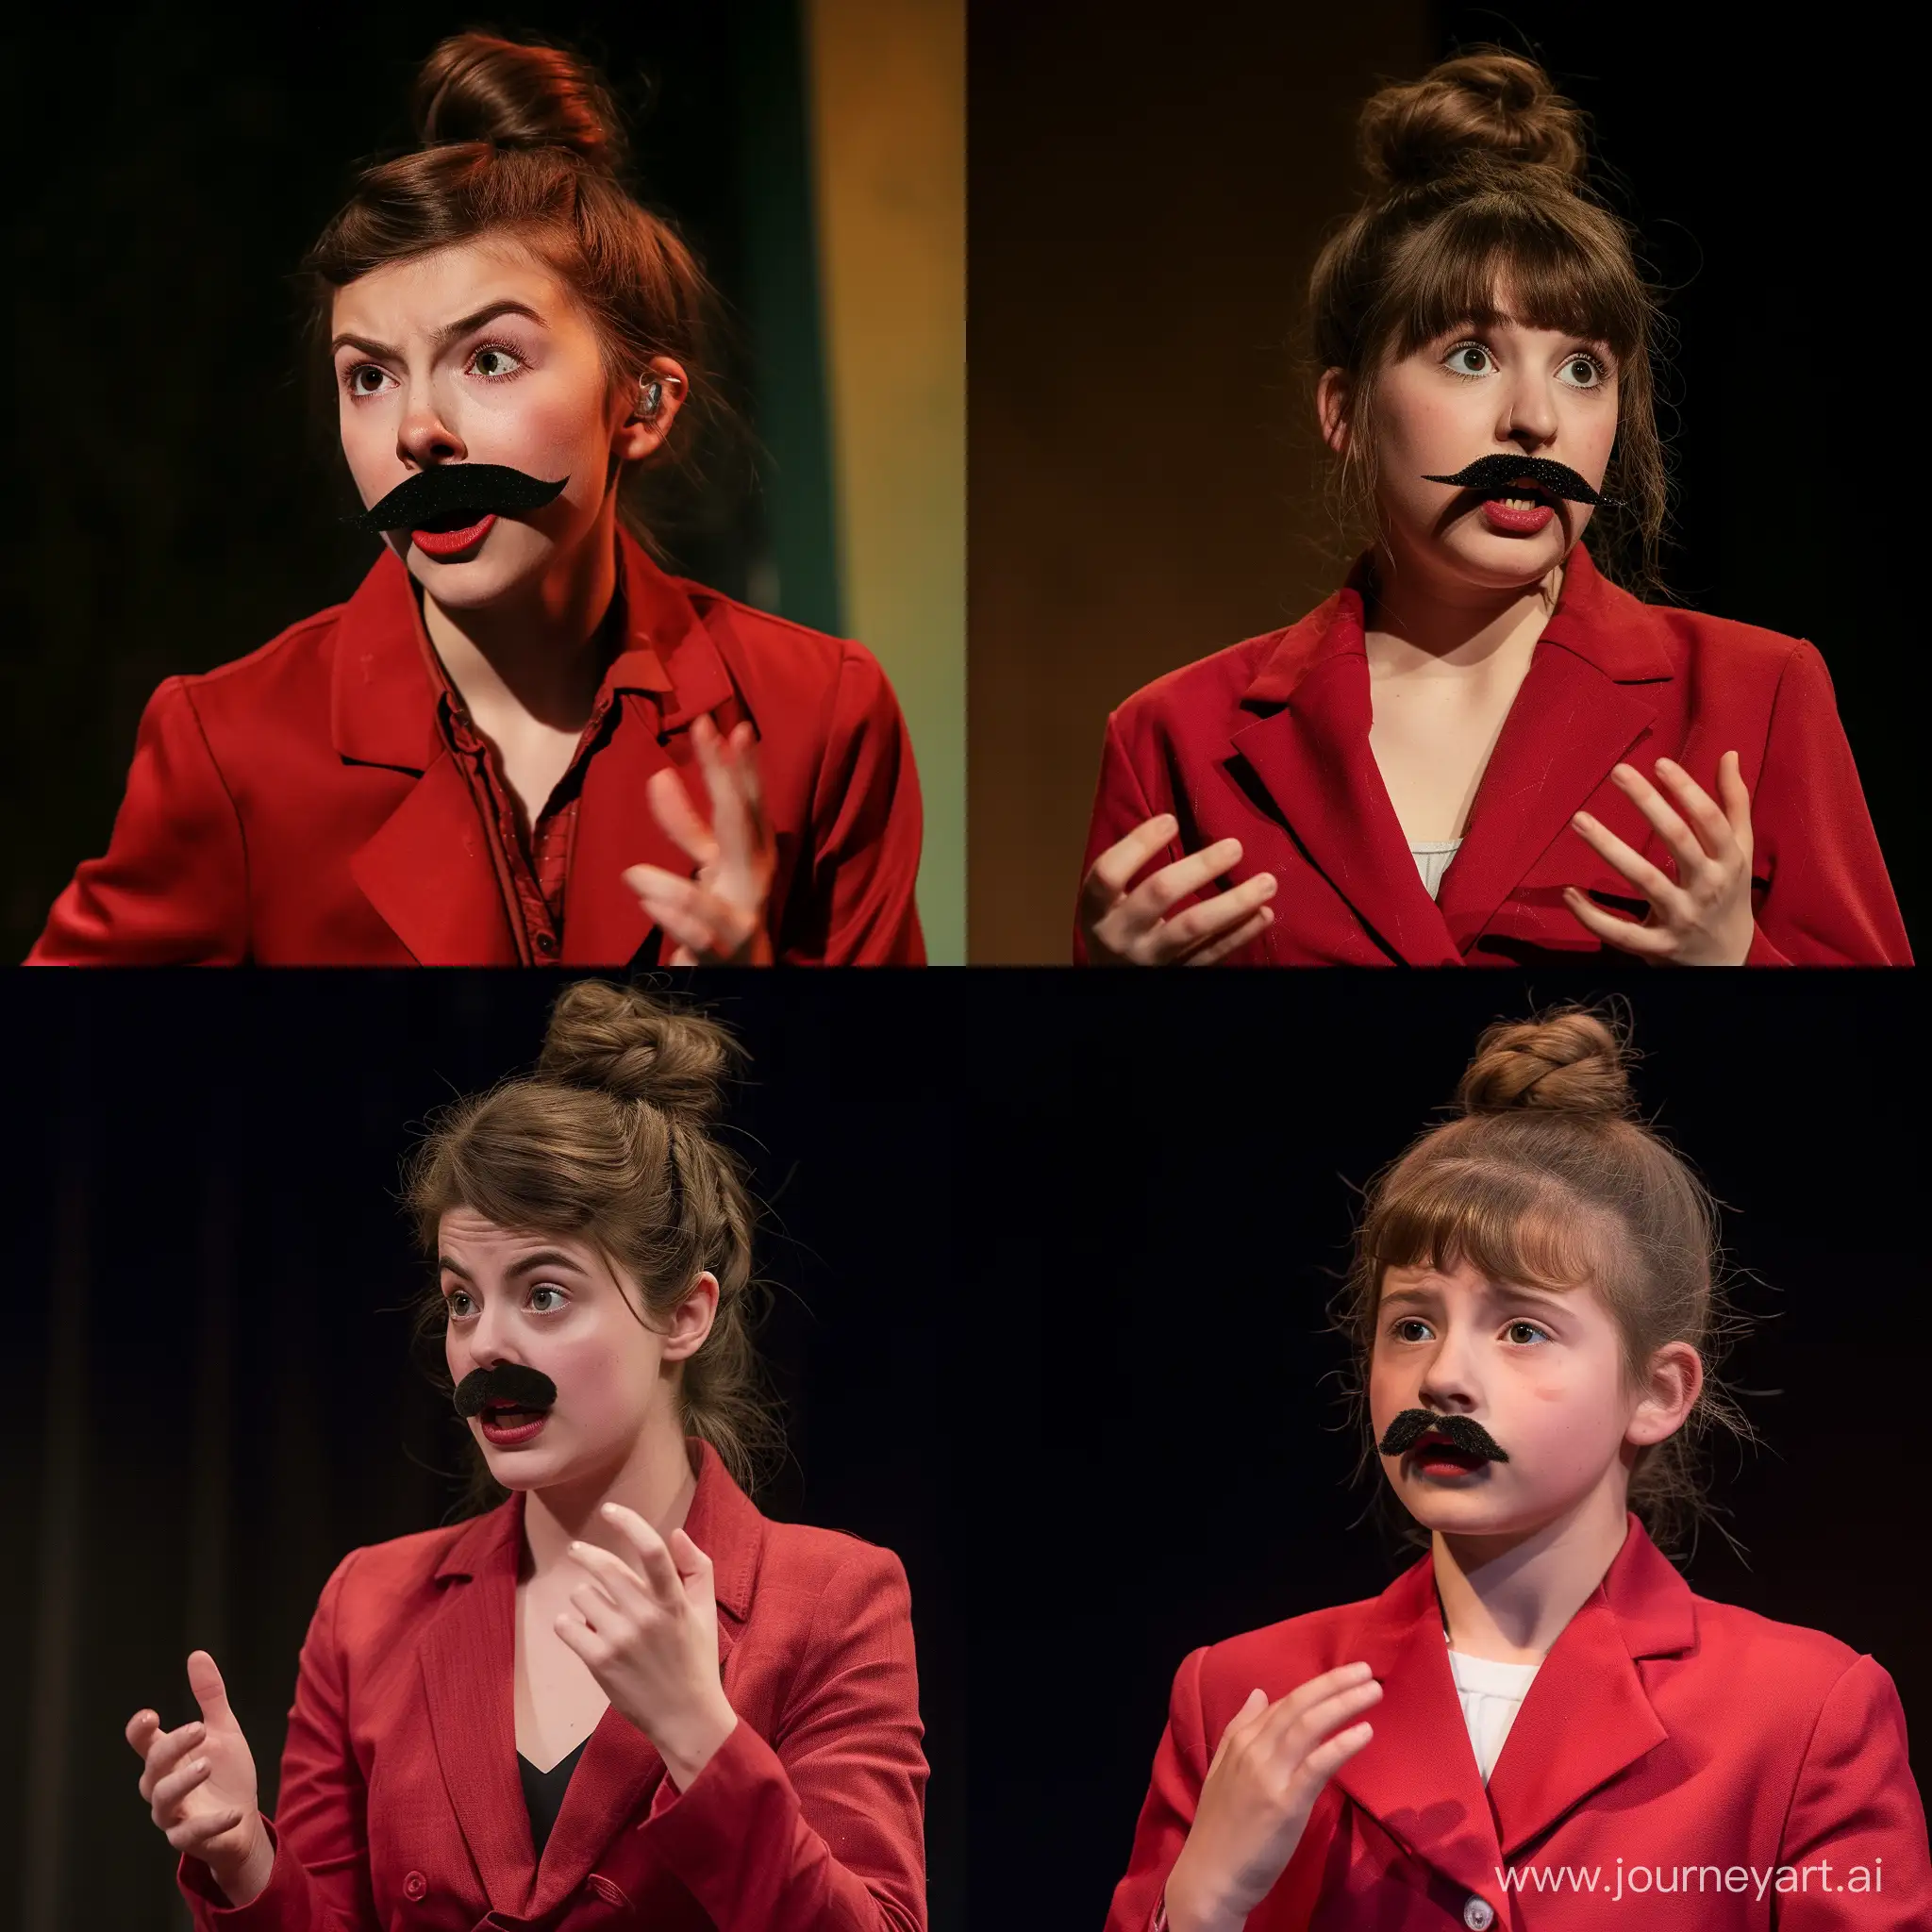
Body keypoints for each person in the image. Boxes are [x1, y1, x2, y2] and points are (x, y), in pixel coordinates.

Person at [34, 32, 924, 966]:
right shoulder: (233, 749)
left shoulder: (817, 719)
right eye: (368, 377)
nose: (418, 429)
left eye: (488, 358)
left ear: (644, 404)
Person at [125, 980, 928, 1929]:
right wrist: (248, 1860)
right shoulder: (369, 1607)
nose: (484, 1346)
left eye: (543, 1294)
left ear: (684, 1314)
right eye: (463, 1298)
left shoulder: (833, 1597)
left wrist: (697, 1732)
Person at [1074, 52, 1907, 967]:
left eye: (1581, 368)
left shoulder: (1752, 694)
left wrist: (1733, 966)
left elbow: (1880, 1086)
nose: (1534, 419)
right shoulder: (1176, 736)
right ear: (1343, 409)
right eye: (1470, 355)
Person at [1106, 1008, 1931, 1930]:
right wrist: (1199, 1904)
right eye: (1410, 1323)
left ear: (1655, 1390)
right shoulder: (1241, 1693)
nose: (1443, 1375)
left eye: (1521, 1328)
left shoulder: (1798, 1714)